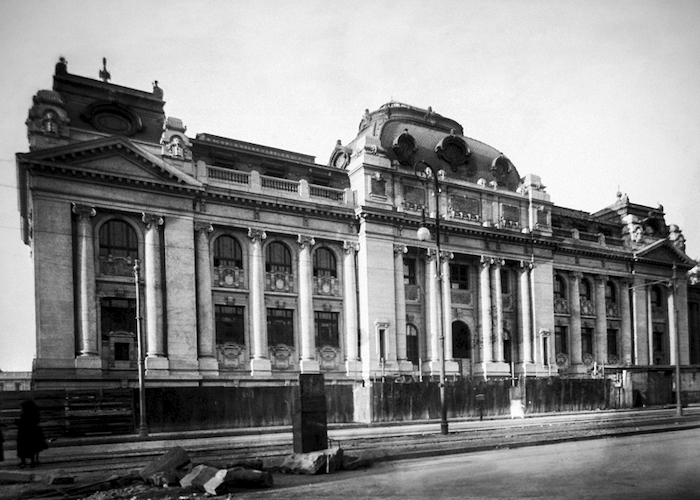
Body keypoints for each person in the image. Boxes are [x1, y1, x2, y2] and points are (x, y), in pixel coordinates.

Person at [15, 400, 48, 469]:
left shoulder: (24, 415)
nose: (21, 409)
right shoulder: (35, 414)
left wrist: (17, 423)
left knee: (23, 448)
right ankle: (33, 462)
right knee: (33, 448)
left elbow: (23, 424)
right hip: (34, 433)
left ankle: (23, 462)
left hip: (24, 434)